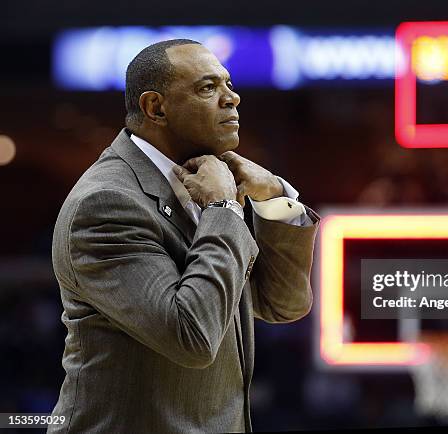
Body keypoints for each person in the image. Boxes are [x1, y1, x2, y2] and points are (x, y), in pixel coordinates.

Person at [48, 39, 319, 433]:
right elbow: (191, 337)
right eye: (208, 88)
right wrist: (224, 210)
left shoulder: (207, 180)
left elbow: (282, 305)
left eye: (228, 84)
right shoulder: (107, 203)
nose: (232, 98)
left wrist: (275, 199)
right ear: (155, 107)